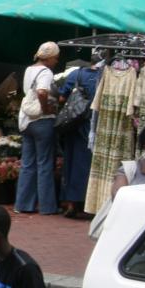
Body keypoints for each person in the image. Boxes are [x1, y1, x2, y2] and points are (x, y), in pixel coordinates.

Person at [56, 49, 104, 219]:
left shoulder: (76, 74)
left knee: (70, 162)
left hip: (74, 124)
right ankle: (86, 202)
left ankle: (70, 202)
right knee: (87, 164)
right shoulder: (104, 76)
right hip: (93, 125)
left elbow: (62, 98)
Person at [15, 42, 60, 216]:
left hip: (27, 121)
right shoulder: (46, 72)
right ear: (49, 57)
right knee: (44, 164)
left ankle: (23, 204)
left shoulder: (29, 69)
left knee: (27, 164)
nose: (56, 61)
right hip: (42, 121)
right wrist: (45, 108)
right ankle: (47, 207)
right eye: (55, 58)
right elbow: (42, 92)